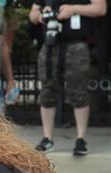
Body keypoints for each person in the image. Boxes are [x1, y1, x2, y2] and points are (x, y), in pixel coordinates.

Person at [30, 0, 107, 155]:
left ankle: (81, 139)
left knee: (79, 91)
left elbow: (100, 8)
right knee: (47, 91)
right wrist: (40, 16)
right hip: (50, 44)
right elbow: (32, 14)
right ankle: (47, 138)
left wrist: (73, 9)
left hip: (76, 45)